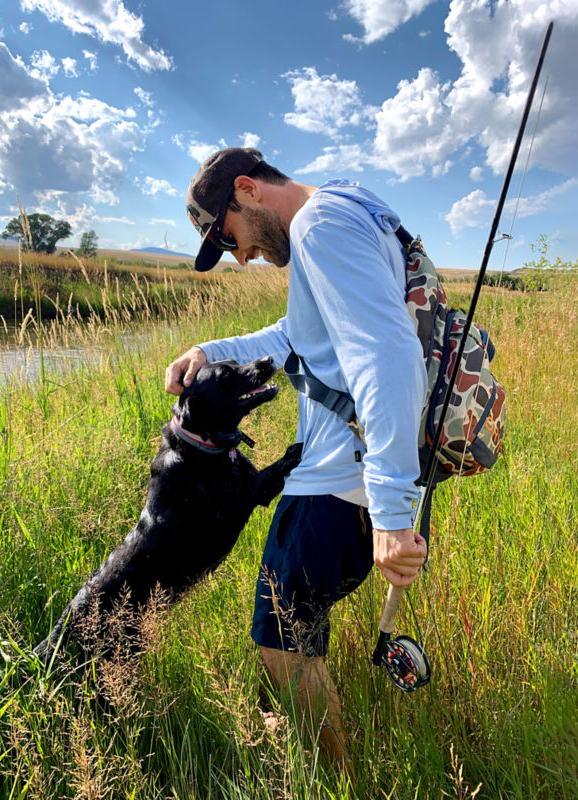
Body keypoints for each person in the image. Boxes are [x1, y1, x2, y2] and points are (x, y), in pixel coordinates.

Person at [165, 147, 428, 765]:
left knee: (282, 644)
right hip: (351, 481)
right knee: (294, 630)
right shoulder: (342, 208)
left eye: (228, 238)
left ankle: (339, 778)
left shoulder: (319, 227)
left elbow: (389, 357)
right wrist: (211, 350)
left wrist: (391, 513)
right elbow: (298, 337)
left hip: (335, 484)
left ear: (248, 190)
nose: (240, 256)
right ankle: (291, 737)